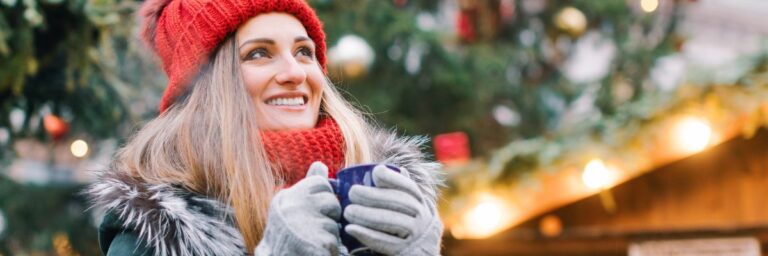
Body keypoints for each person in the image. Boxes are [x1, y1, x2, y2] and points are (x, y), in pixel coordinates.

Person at [86, 0, 444, 255]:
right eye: (259, 53)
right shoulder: (157, 235)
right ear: (208, 88)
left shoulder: (380, 191)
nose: (295, 72)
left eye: (304, 51)